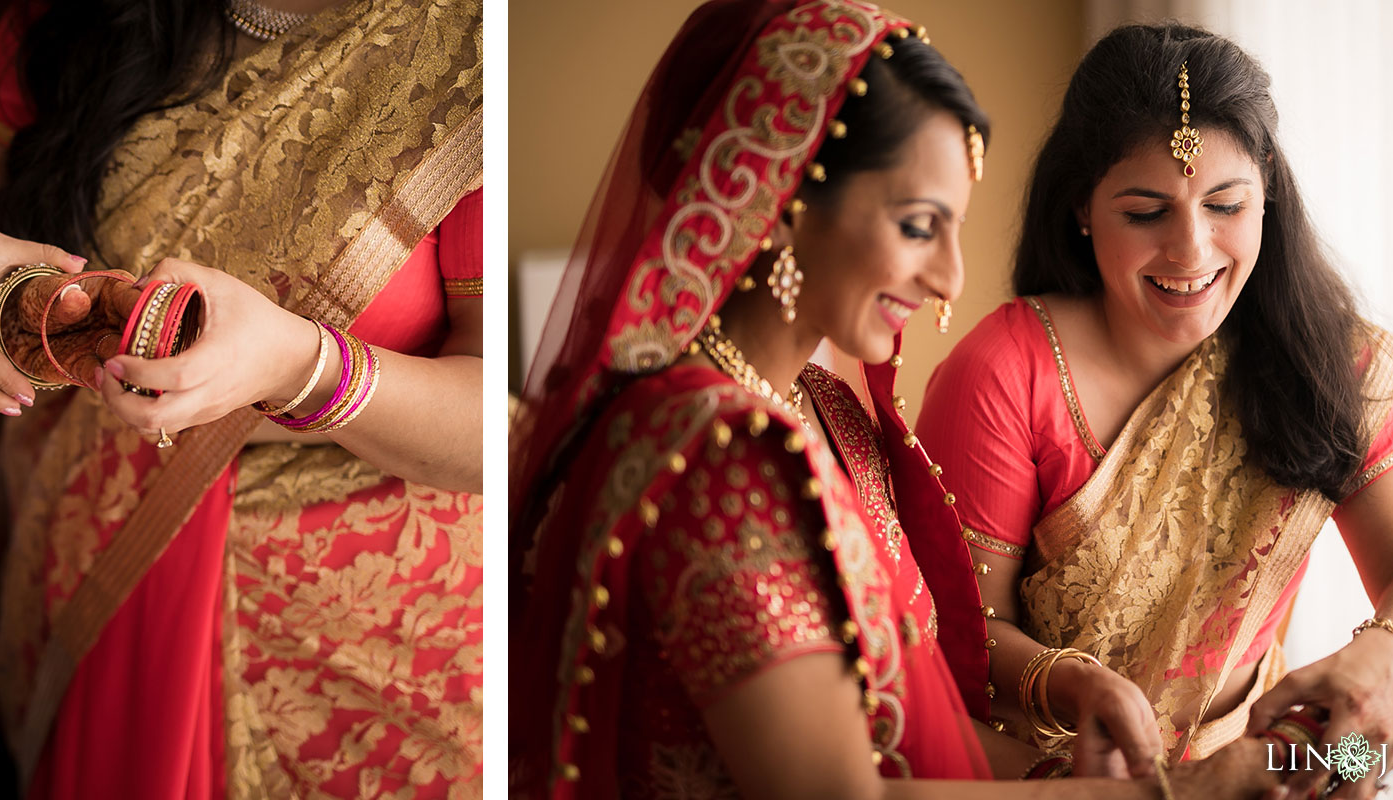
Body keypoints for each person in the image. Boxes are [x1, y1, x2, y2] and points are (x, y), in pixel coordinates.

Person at [510, 2, 1290, 798]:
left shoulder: (828, 413)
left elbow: (914, 740)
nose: (949, 277)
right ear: (780, 200)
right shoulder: (720, 460)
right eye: (919, 226)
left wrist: (1097, 743)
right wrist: (1174, 793)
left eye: (953, 229)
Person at [0, 0, 483, 796]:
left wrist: (299, 367)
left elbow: (491, 431)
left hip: (370, 661)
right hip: (89, 565)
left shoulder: (469, 52)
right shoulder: (76, 16)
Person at [917, 23, 1393, 798]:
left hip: (1265, 773)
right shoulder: (1005, 376)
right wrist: (1076, 686)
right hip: (1058, 783)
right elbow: (957, 649)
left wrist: (1385, 658)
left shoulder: (1322, 359)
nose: (1192, 249)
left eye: (1225, 204)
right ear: (1082, 205)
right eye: (1146, 213)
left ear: (1267, 188)